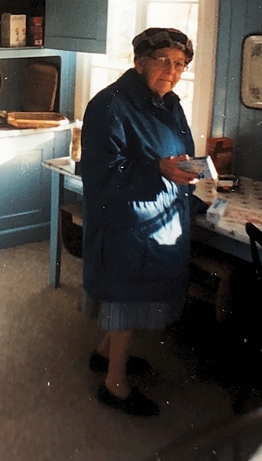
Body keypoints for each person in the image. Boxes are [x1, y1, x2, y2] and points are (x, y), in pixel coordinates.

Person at [80, 27, 201, 416]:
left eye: (179, 64)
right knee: (126, 300)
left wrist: (184, 170)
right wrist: (159, 169)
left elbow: (177, 150)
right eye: (163, 60)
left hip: (159, 214)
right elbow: (99, 172)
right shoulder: (110, 105)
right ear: (140, 62)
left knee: (134, 296)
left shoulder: (169, 103)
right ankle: (114, 384)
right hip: (125, 220)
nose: (172, 70)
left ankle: (104, 353)